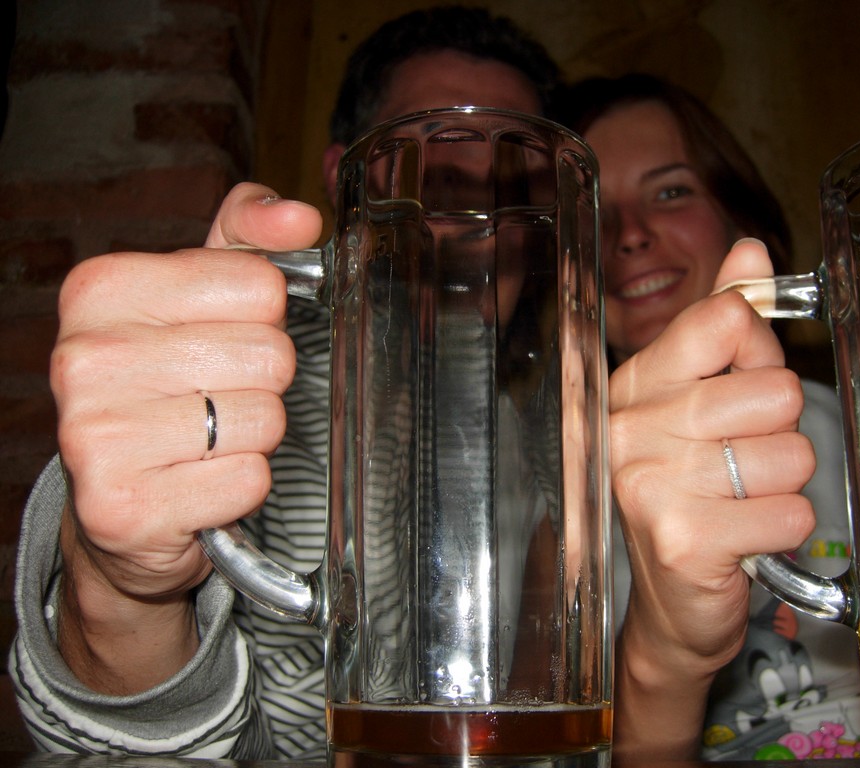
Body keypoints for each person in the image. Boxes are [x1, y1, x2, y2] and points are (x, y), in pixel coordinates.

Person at [10, 8, 817, 761]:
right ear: (346, 179)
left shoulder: (539, 432)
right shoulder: (245, 383)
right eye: (435, 166)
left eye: (507, 179)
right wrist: (121, 595)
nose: (471, 214)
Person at [561, 73, 860, 759]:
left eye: (671, 191)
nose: (629, 234)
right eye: (595, 211)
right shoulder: (543, 495)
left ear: (740, 220)